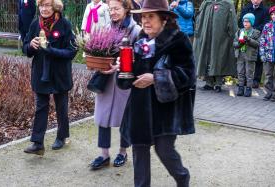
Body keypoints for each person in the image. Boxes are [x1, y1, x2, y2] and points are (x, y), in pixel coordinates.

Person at [118, 0, 196, 186]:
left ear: (164, 19)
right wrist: (122, 69)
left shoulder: (178, 40)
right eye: (143, 16)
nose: (145, 21)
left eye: (150, 16)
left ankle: (182, 176)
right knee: (139, 151)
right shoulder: (139, 40)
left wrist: (155, 78)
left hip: (166, 110)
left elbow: (188, 75)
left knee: (164, 151)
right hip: (139, 108)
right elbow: (127, 80)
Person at [89, 0, 141, 170]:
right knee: (103, 118)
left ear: (126, 9)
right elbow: (98, 50)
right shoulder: (106, 28)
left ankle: (123, 152)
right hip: (105, 79)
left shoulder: (136, 31)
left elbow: (140, 60)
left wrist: (122, 65)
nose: (112, 12)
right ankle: (104, 155)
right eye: (110, 9)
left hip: (124, 82)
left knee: (125, 119)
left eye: (116, 8)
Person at [23, 0, 77, 155]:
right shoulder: (35, 24)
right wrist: (30, 46)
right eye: (41, 6)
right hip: (41, 74)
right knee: (41, 106)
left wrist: (51, 50)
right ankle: (37, 143)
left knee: (61, 107)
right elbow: (25, 48)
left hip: (59, 73)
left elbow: (71, 52)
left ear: (55, 7)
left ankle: (62, 136)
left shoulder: (64, 24)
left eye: (47, 5)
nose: (44, 9)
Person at [193, 0, 237, 93]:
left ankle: (218, 83)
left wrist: (233, 35)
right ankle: (209, 83)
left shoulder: (227, 3)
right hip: (206, 36)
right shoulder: (206, 3)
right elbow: (199, 18)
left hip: (221, 37)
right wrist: (198, 31)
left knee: (218, 58)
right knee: (207, 58)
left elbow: (232, 21)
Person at [239, 0, 270, 88]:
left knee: (257, 58)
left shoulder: (265, 10)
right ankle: (244, 79)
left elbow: (265, 24)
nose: (256, 0)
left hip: (258, 36)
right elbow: (241, 22)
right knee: (245, 57)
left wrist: (254, 31)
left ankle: (256, 80)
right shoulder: (246, 9)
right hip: (245, 35)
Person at [233, 13, 261, 97]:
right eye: (244, 21)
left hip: (250, 55)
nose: (245, 23)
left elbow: (257, 44)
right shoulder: (239, 31)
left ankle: (248, 88)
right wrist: (239, 43)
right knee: (240, 72)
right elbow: (234, 43)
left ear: (251, 23)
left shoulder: (256, 32)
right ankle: (241, 88)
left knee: (249, 73)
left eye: (248, 22)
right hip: (240, 54)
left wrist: (248, 40)